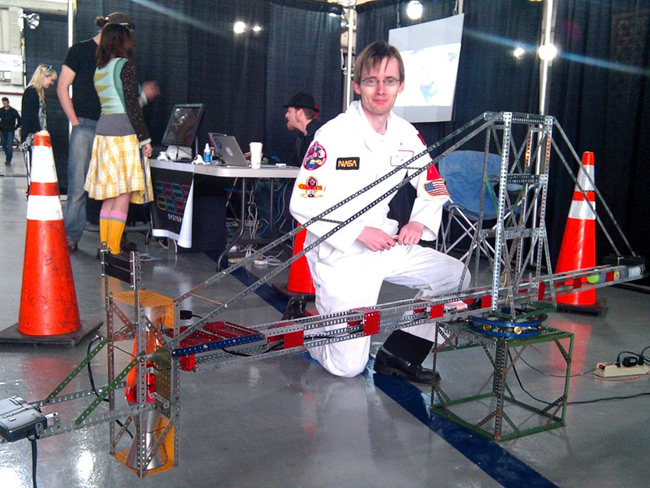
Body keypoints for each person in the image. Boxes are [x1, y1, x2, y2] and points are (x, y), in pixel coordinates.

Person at [289, 41, 469, 383]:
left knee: (455, 276)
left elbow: (434, 184)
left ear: (401, 86)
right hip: (340, 255)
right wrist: (356, 231)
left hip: (385, 245)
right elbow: (303, 202)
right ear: (357, 86)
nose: (381, 89)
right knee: (348, 368)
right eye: (372, 80)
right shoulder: (333, 135)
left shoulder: (406, 134)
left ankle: (398, 353)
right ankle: (310, 329)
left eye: (389, 80)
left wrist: (419, 220)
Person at [84, 21, 157, 255]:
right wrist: (145, 140)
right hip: (123, 135)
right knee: (124, 193)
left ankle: (106, 248)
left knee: (110, 195)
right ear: (122, 40)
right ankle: (114, 250)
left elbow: (118, 104)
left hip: (103, 133)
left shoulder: (100, 70)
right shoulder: (126, 66)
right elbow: (132, 108)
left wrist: (140, 98)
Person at [284, 92, 323, 167]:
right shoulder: (300, 139)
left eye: (289, 112)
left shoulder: (321, 134)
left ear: (300, 113)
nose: (286, 115)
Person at [21, 64, 58, 144]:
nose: (52, 83)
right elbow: (30, 117)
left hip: (38, 136)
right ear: (43, 77)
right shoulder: (31, 92)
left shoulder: (37, 92)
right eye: (51, 80)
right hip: (33, 137)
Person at [0, 97, 21, 166]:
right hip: (2, 130)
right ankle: (8, 155)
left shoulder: (13, 111)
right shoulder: (1, 110)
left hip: (10, 130)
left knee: (9, 144)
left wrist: (16, 127)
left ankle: (9, 159)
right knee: (3, 144)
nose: (4, 104)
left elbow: (19, 119)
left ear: (8, 102)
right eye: (3, 102)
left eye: (5, 102)